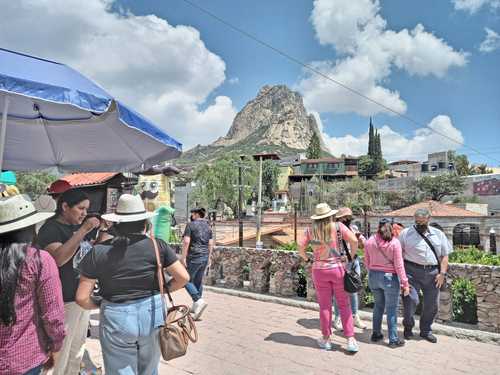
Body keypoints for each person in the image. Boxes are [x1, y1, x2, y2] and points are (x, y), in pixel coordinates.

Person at [75, 194, 189, 375]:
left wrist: (100, 302)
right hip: (152, 312)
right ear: (145, 223)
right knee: (149, 370)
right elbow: (183, 277)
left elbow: (81, 297)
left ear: (116, 225)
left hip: (116, 314)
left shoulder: (99, 252)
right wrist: (164, 289)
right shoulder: (157, 246)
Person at [36, 189, 101, 375]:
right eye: (80, 208)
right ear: (65, 206)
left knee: (77, 349)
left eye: (87, 209)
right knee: (61, 351)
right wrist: (83, 230)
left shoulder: (76, 227)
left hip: (81, 296)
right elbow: (58, 258)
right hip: (63, 299)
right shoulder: (51, 229)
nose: (84, 213)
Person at [0, 195, 65, 375]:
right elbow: (53, 315)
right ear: (31, 228)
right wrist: (55, 345)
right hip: (25, 357)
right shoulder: (40, 260)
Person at [298, 203, 359, 353]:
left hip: (319, 270)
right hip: (337, 269)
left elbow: (300, 246)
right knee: (344, 305)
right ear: (330, 215)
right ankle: (350, 339)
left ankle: (326, 339)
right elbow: (355, 241)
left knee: (325, 306)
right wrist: (350, 257)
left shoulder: (310, 230)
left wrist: (306, 259)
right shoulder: (338, 226)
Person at [399, 208, 452, 343]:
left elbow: (444, 255)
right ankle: (408, 327)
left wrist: (442, 273)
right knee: (411, 300)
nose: (419, 225)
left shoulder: (439, 234)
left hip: (433, 273)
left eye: (422, 222)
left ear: (429, 219)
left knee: (432, 304)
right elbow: (398, 254)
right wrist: (401, 275)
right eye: (417, 222)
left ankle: (425, 330)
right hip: (411, 271)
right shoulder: (406, 234)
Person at [365, 219, 409, 348]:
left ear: (378, 227)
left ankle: (376, 333)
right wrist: (405, 283)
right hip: (390, 278)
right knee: (391, 309)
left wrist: (373, 272)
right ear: (391, 227)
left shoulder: (369, 241)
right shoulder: (395, 243)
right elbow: (399, 265)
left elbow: (367, 262)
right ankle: (393, 339)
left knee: (378, 306)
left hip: (373, 275)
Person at [332, 207, 366, 330]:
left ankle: (354, 316)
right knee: (339, 292)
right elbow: (330, 247)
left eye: (349, 217)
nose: (348, 219)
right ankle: (338, 317)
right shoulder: (334, 229)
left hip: (354, 261)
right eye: (345, 217)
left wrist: (360, 240)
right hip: (341, 263)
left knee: (353, 290)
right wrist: (339, 257)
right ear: (339, 218)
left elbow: (362, 246)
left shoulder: (354, 228)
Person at [181, 207, 214, 320]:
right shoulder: (208, 227)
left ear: (196, 214)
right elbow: (210, 244)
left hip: (194, 256)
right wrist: (209, 258)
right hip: (204, 256)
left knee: (185, 279)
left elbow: (186, 242)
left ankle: (198, 300)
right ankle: (196, 307)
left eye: (192, 214)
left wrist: (183, 257)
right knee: (198, 281)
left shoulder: (191, 225)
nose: (192, 216)